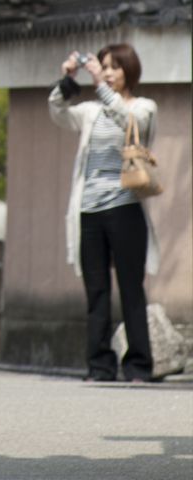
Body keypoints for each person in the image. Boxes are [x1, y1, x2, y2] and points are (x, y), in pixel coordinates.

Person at [50, 43, 158, 383]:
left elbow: (132, 123)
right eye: (104, 67)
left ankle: (138, 366)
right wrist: (67, 81)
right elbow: (59, 113)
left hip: (125, 208)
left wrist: (98, 84)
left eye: (115, 67)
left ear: (129, 71)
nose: (108, 73)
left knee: (130, 288)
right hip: (89, 212)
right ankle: (99, 365)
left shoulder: (143, 107)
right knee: (96, 290)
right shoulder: (91, 112)